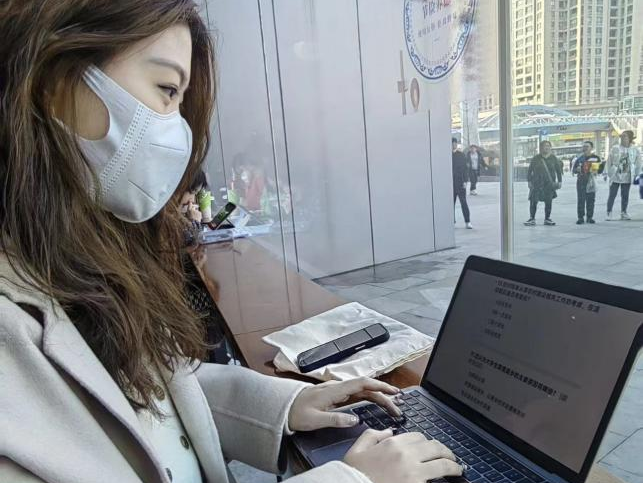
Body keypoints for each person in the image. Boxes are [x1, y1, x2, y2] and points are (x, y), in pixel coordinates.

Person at [0, 2, 463, 483]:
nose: (177, 131)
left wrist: (288, 405)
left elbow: (156, 394)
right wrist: (354, 481)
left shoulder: (73, 256)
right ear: (54, 79)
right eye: (166, 89)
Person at [604, 130, 642, 221]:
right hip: (615, 175)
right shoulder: (615, 148)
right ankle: (609, 212)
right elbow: (609, 161)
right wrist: (606, 173)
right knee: (612, 195)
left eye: (624, 136)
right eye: (621, 136)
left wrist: (637, 174)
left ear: (629, 138)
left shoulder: (635, 149)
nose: (622, 138)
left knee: (625, 195)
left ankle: (623, 212)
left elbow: (638, 163)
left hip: (627, 175)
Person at [524, 140, 563, 226]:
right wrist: (529, 181)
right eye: (545, 146)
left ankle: (547, 219)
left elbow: (558, 171)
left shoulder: (553, 158)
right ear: (541, 148)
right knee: (533, 201)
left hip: (549, 184)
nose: (547, 147)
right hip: (537, 183)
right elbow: (530, 170)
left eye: (548, 146)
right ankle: (532, 218)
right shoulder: (536, 158)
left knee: (548, 201)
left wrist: (560, 181)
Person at [572, 141, 603, 225]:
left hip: (591, 181)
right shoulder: (579, 158)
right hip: (581, 181)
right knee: (581, 200)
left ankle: (590, 217)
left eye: (587, 146)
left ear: (591, 148)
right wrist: (577, 170)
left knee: (591, 200)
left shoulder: (596, 158)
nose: (585, 148)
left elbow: (601, 169)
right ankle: (580, 217)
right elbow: (574, 170)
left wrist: (597, 170)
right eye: (584, 146)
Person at [452, 138, 473, 229]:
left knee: (463, 202)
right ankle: (452, 221)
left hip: (460, 182)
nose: (454, 145)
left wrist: (465, 181)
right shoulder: (446, 155)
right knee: (450, 204)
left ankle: (467, 221)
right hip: (450, 184)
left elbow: (465, 169)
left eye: (455, 143)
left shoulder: (461, 155)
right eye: (452, 143)